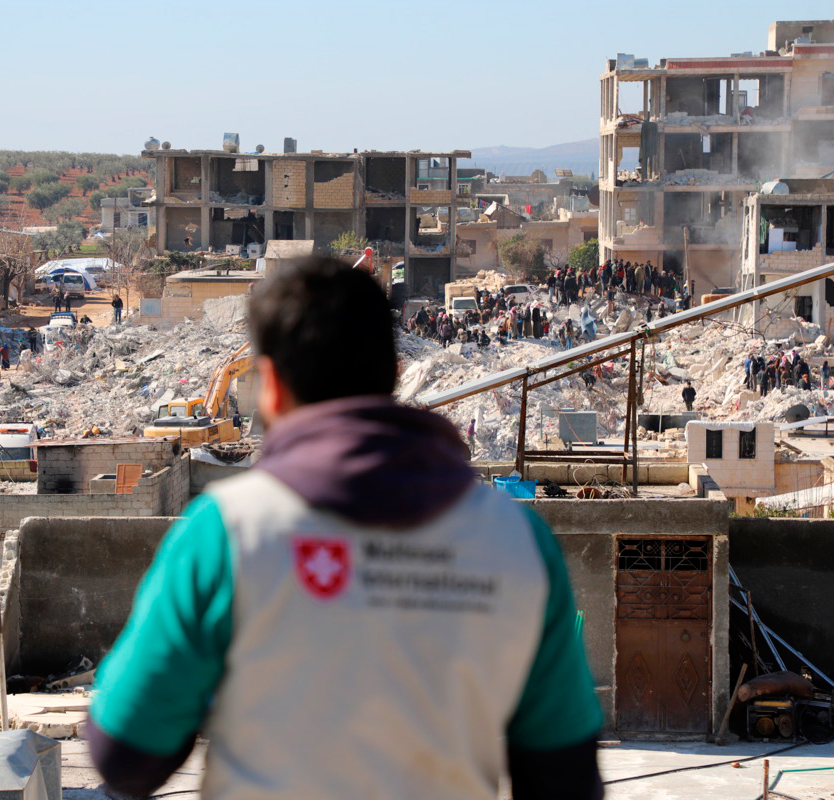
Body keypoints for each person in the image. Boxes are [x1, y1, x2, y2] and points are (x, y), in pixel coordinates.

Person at [86, 257, 603, 800]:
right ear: (395, 373)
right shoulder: (517, 543)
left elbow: (125, 753)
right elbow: (564, 777)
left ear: (272, 389)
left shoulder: (226, 533)